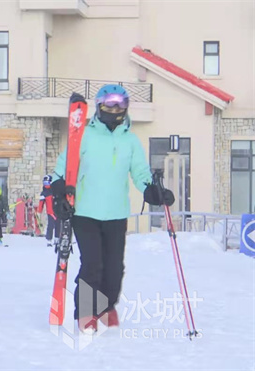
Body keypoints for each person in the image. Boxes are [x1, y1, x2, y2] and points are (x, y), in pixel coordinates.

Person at [51, 84, 175, 334]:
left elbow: (140, 173)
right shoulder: (84, 135)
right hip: (85, 211)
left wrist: (152, 191)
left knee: (115, 268)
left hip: (117, 213)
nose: (115, 108)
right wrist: (59, 190)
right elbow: (62, 168)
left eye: (120, 103)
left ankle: (106, 306)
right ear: (99, 105)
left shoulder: (130, 140)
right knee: (92, 264)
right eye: (110, 103)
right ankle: (86, 313)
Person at [38, 175, 59, 248]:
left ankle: (57, 239)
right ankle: (49, 239)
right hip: (50, 212)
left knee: (58, 225)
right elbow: (41, 203)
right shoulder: (44, 193)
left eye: (47, 183)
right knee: (50, 225)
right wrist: (39, 211)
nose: (46, 185)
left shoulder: (55, 191)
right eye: (45, 183)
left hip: (57, 210)